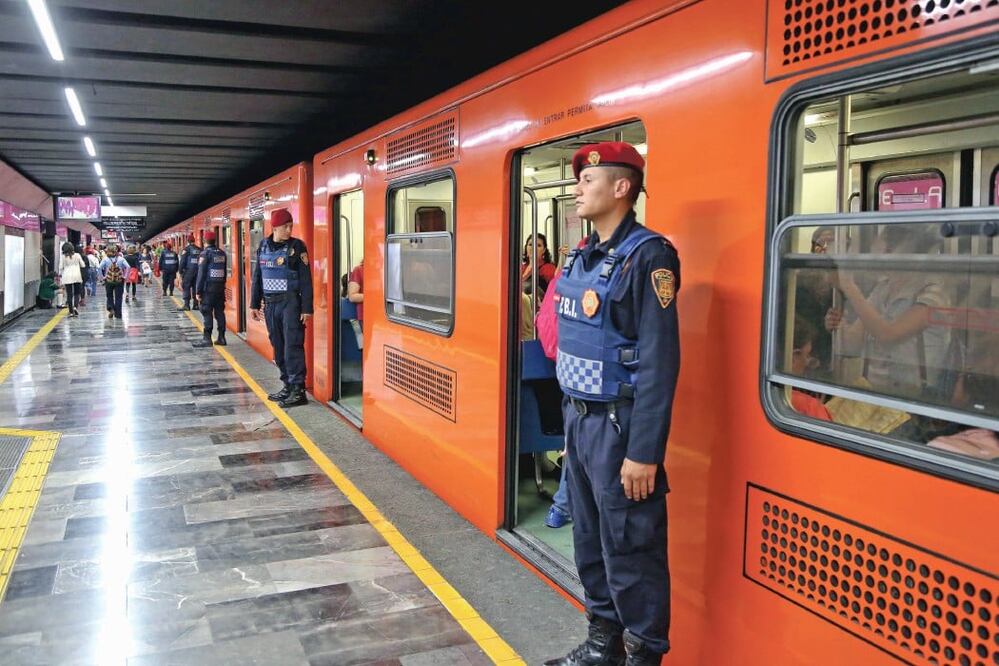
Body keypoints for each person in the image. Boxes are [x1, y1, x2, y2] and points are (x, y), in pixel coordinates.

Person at [545, 142, 680, 666]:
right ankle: (603, 646)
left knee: (631, 548)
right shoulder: (582, 254)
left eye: (588, 179)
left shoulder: (650, 257)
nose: (577, 187)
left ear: (622, 188)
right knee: (589, 540)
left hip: (619, 428)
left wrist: (644, 451)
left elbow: (660, 361)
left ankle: (643, 653)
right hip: (578, 423)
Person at [249, 208, 313, 408]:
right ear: (274, 227)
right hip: (270, 304)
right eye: (286, 226)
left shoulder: (297, 247)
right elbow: (257, 277)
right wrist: (253, 303)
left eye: (291, 226)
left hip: (290, 304)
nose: (289, 229)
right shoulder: (263, 247)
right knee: (277, 345)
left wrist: (306, 308)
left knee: (292, 345)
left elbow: (306, 281)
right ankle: (287, 384)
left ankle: (298, 390)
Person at [193, 230, 227, 347]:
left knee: (207, 312)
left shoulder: (205, 254)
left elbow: (201, 274)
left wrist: (198, 291)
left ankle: (207, 339)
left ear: (204, 241)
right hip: (220, 288)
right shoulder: (222, 253)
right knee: (219, 312)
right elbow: (224, 272)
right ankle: (222, 337)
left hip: (208, 289)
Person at [521, 233, 558, 301]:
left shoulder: (548, 268)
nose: (533, 248)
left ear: (544, 250)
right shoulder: (521, 268)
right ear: (526, 248)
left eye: (538, 245)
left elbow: (556, 291)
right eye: (530, 245)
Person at [100, 245, 129, 319]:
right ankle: (118, 314)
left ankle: (111, 308)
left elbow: (99, 268)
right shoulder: (121, 259)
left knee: (109, 296)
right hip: (119, 280)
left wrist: (102, 277)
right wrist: (125, 276)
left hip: (109, 280)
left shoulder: (105, 259)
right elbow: (128, 267)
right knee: (118, 297)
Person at [58, 241, 86, 318]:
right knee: (77, 293)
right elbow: (83, 265)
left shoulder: (63, 257)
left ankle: (71, 312)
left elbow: (60, 267)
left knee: (69, 294)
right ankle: (75, 307)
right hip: (77, 275)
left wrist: (60, 275)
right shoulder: (77, 255)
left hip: (67, 276)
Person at [177, 235, 202, 311]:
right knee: (195, 287)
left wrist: (180, 271)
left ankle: (186, 305)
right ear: (194, 241)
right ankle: (196, 305)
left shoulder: (186, 249)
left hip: (188, 272)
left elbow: (183, 262)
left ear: (187, 241)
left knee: (186, 287)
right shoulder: (200, 249)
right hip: (198, 271)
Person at [347, 260, 364, 325]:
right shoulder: (359, 270)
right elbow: (352, 296)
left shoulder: (381, 269)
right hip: (365, 316)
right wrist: (375, 297)